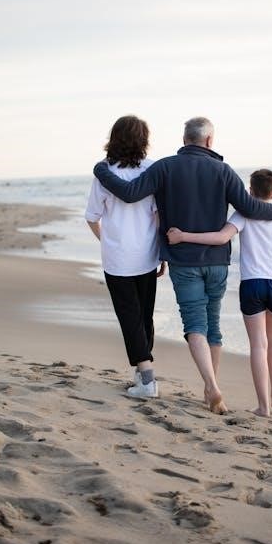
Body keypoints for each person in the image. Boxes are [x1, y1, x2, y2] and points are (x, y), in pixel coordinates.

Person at [94, 118, 272, 414]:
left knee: (195, 324)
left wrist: (100, 170)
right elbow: (251, 208)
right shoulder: (224, 171)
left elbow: (130, 193)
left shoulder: (165, 167)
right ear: (209, 141)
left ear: (185, 139)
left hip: (183, 261)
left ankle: (211, 386)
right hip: (217, 262)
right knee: (213, 325)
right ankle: (210, 387)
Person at [167, 168, 272, 417]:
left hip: (253, 284)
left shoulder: (244, 214)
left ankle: (263, 407)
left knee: (258, 344)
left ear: (249, 191)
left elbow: (221, 238)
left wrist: (183, 236)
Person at [85, 115, 166, 398]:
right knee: (144, 316)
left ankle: (146, 378)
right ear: (143, 139)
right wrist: (162, 253)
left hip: (117, 259)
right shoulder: (153, 169)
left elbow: (92, 216)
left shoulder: (104, 173)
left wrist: (107, 240)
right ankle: (143, 374)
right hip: (147, 255)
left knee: (129, 316)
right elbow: (159, 215)